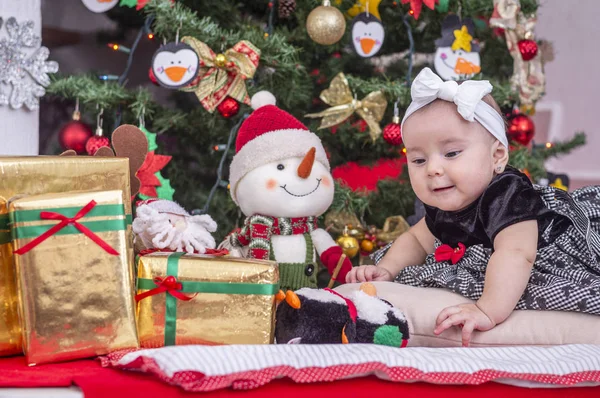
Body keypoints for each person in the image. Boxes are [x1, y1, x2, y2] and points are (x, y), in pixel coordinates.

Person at [346, 68, 600, 346]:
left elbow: (517, 254)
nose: (433, 169)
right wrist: (388, 270)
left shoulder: (506, 194)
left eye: (452, 153)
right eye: (418, 160)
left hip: (540, 250)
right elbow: (417, 239)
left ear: (497, 157)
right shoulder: (445, 198)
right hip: (502, 259)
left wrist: (486, 310)